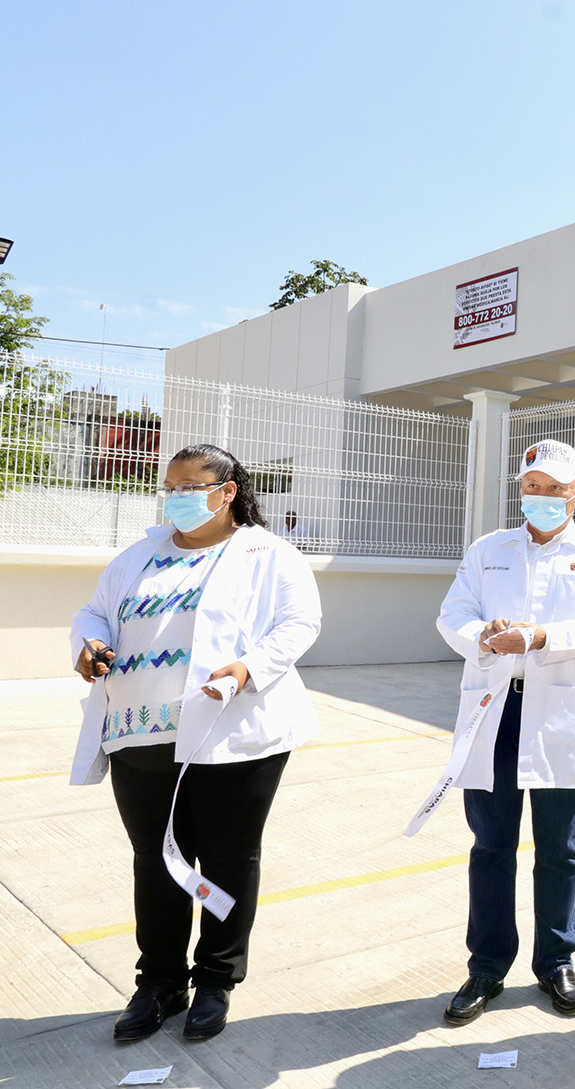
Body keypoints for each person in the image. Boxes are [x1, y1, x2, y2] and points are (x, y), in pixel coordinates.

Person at [70, 443, 322, 1043]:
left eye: (190, 486)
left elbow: (300, 622)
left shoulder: (268, 554)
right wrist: (88, 644)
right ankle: (158, 982)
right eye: (170, 486)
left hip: (232, 732)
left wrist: (249, 667)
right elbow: (94, 613)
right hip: (139, 733)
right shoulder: (139, 555)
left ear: (227, 490)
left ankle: (214, 980)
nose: (177, 497)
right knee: (156, 860)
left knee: (228, 859)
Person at [435, 439, 575, 1025]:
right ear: (521, 490)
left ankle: (556, 962)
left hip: (558, 710)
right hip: (494, 708)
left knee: (558, 847)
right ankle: (487, 967)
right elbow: (453, 614)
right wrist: (484, 636)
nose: (542, 497)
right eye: (532, 487)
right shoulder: (488, 549)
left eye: (555, 488)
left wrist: (540, 638)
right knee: (491, 847)